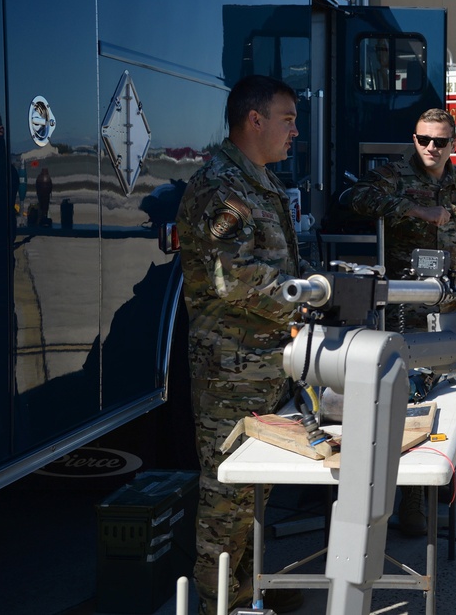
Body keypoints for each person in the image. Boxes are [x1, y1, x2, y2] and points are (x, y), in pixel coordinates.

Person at [175, 75, 313, 615]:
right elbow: (232, 278)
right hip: (229, 371)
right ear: (254, 120)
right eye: (288, 119)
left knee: (255, 491)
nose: (295, 131)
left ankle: (248, 593)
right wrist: (304, 298)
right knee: (226, 498)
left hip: (262, 367)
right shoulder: (221, 189)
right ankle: (216, 605)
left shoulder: (257, 180)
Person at [349, 107, 456, 533]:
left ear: (454, 143)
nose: (431, 148)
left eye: (440, 141)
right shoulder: (393, 176)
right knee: (408, 398)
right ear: (413, 140)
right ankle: (411, 501)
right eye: (423, 139)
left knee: (446, 398)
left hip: (451, 309)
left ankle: (435, 481)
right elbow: (355, 198)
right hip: (402, 311)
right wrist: (412, 211)